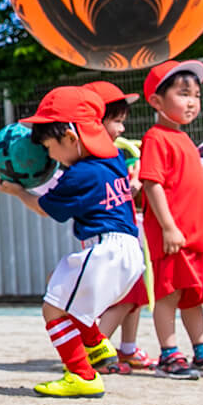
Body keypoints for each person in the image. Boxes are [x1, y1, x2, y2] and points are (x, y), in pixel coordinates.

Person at [0, 86, 144, 399]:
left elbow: (44, 209)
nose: (49, 156)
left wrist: (18, 191)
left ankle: (82, 374)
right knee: (60, 286)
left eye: (50, 146)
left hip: (106, 250)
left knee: (53, 309)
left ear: (70, 137)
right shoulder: (113, 158)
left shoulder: (79, 177)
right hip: (128, 250)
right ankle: (97, 346)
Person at [135, 61, 203, 379]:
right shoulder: (156, 138)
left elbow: (189, 190)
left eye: (196, 94)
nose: (193, 101)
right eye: (184, 94)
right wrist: (169, 227)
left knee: (193, 297)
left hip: (198, 235)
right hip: (175, 237)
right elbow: (153, 184)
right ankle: (169, 355)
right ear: (156, 101)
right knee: (169, 295)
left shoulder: (187, 142)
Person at [82, 80, 152, 373]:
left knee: (135, 297)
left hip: (126, 235)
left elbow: (122, 192)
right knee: (122, 299)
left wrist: (133, 184)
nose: (122, 129)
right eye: (117, 121)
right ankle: (97, 351)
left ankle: (127, 348)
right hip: (107, 241)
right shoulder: (91, 159)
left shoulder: (114, 155)